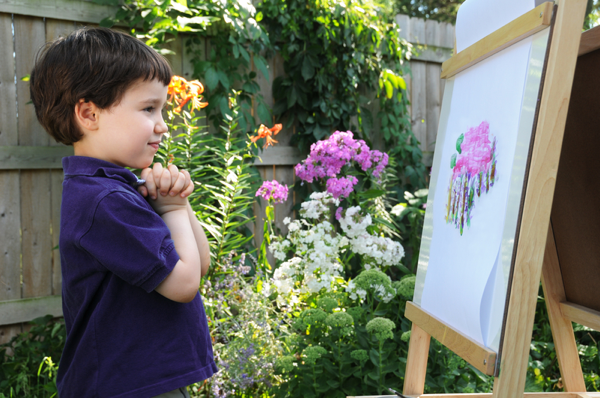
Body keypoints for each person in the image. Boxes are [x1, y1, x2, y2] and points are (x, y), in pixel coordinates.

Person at [29, 27, 217, 397]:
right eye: (148, 109)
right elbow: (183, 284)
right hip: (125, 387)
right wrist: (174, 208)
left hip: (135, 383)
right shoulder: (105, 201)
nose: (162, 125)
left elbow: (201, 264)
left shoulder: (114, 188)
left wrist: (179, 205)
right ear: (88, 113)